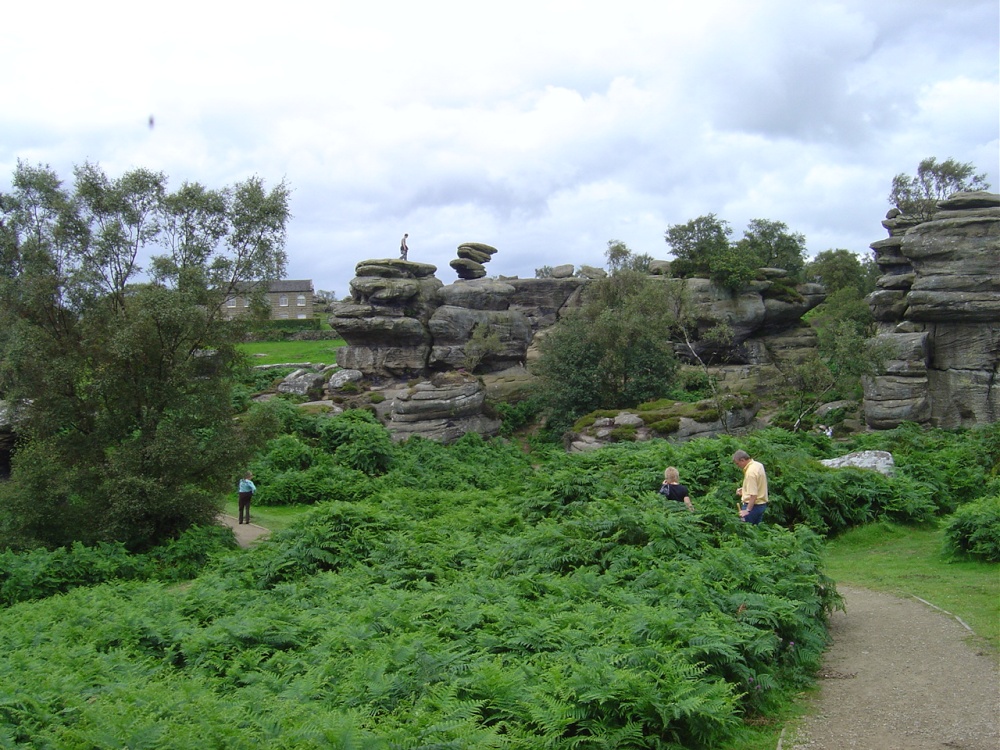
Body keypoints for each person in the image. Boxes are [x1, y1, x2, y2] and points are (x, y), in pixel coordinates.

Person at [733, 449, 767, 524]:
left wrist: (747, 510)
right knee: (755, 531)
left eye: (737, 463)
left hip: (753, 506)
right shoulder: (758, 465)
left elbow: (754, 495)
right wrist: (744, 490)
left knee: (746, 532)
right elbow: (758, 484)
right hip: (761, 505)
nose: (738, 466)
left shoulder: (750, 473)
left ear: (742, 460)